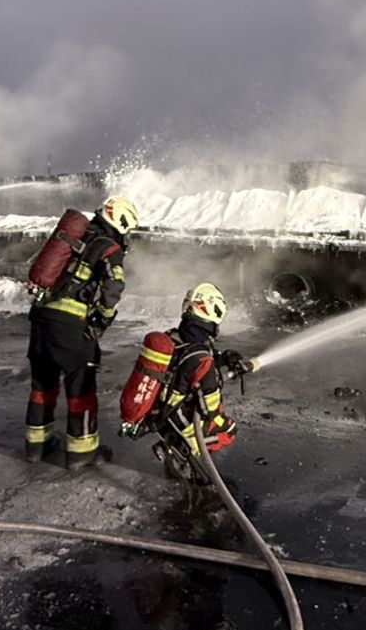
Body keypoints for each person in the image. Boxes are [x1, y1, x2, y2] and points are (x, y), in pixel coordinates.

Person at [25, 194, 139, 468]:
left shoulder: (75, 238)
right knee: (81, 389)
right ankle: (81, 452)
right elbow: (113, 289)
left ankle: (36, 447)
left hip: (41, 319)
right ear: (121, 221)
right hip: (71, 327)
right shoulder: (108, 248)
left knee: (43, 386)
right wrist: (102, 320)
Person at [120, 282, 252, 484]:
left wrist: (223, 358)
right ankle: (183, 447)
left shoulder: (174, 336)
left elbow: (189, 356)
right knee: (228, 431)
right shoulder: (200, 358)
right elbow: (210, 408)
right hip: (176, 419)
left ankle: (177, 445)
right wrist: (221, 420)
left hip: (157, 411)